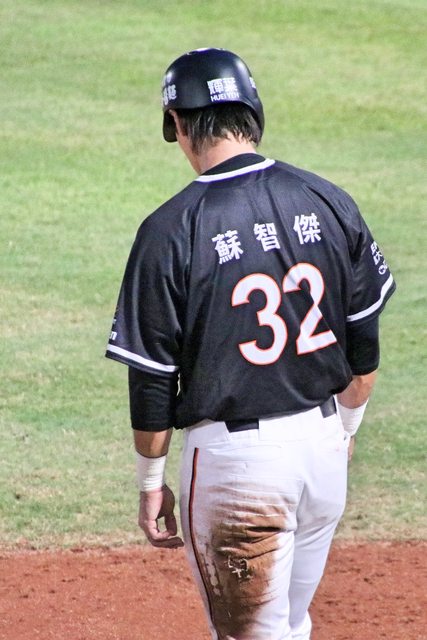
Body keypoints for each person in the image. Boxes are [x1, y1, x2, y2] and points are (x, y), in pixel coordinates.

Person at [106, 48, 396, 640]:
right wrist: (343, 432)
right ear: (252, 112)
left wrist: (149, 482)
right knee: (292, 625)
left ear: (179, 125)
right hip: (322, 455)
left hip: (238, 474)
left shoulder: (171, 228)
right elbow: (363, 348)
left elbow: (152, 381)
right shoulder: (327, 199)